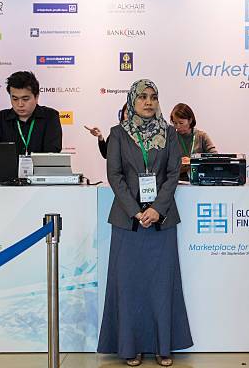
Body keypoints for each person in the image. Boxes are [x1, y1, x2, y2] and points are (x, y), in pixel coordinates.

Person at [98, 79, 193, 366]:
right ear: (132, 101)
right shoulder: (117, 134)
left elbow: (173, 173)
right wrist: (136, 211)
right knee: (129, 285)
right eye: (142, 97)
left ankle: (164, 346)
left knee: (162, 285)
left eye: (153, 96)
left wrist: (156, 209)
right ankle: (132, 346)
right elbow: (115, 175)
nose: (148, 102)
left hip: (161, 221)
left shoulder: (170, 133)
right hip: (129, 222)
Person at [0, 71, 62, 155]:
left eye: (25, 99)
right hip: (6, 168)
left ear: (36, 97)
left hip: (40, 168)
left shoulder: (50, 117)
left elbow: (52, 154)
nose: (20, 104)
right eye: (15, 99)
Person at [170, 103, 217, 181]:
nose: (177, 127)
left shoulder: (202, 136)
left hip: (199, 180)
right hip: (178, 181)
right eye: (175, 123)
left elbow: (215, 157)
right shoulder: (172, 138)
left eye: (181, 123)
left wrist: (193, 161)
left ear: (190, 120)